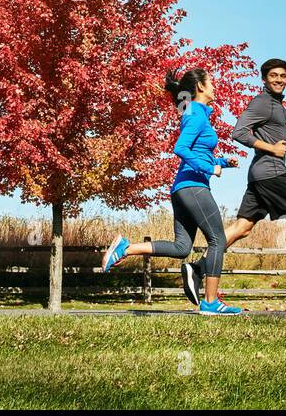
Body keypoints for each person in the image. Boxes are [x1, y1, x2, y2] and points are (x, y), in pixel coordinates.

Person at [182, 58, 286, 309]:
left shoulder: (279, 107)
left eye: (282, 76)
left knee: (242, 228)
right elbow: (239, 132)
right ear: (264, 79)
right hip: (272, 174)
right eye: (273, 76)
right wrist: (270, 148)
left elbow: (283, 145)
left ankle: (199, 268)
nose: (279, 80)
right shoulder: (262, 102)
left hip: (260, 175)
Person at [101, 66, 243, 315]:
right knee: (218, 240)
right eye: (211, 82)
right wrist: (210, 169)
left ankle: (126, 248)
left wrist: (221, 162)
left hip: (182, 188)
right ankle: (210, 302)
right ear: (200, 87)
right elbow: (181, 148)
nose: (214, 86)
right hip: (193, 187)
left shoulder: (195, 113)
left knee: (182, 248)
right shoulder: (196, 115)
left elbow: (197, 150)